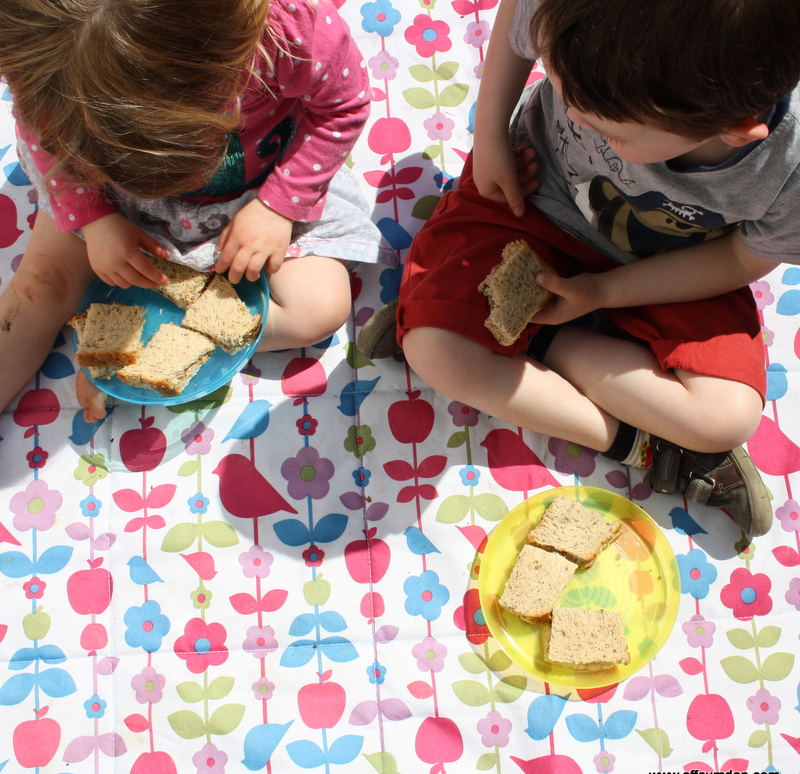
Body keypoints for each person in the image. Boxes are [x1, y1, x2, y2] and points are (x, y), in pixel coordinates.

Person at [359, 0, 800, 538]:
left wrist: (604, 291)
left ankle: (529, 336)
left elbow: (737, 259)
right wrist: (492, 136)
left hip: (678, 263)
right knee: (434, 349)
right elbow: (517, 21)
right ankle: (640, 444)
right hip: (534, 194)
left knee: (725, 418)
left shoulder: (790, 168)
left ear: (735, 130)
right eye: (562, 91)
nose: (570, 118)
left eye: (611, 132)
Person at [0, 0, 394, 422]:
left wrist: (278, 206)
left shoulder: (289, 30)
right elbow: (44, 136)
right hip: (112, 194)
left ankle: (144, 358)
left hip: (262, 187)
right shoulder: (47, 60)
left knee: (318, 308)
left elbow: (343, 107)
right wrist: (94, 218)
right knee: (41, 287)